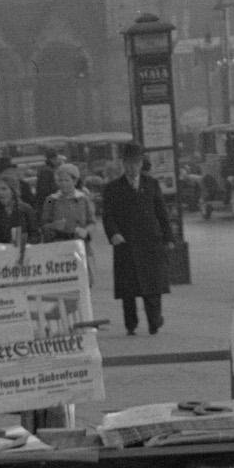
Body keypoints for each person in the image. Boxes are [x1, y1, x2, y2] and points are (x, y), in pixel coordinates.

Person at [103, 144, 171, 338]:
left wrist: (168, 236)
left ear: (141, 164)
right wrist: (113, 234)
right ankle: (130, 324)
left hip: (150, 242)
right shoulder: (113, 188)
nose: (132, 168)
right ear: (123, 165)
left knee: (153, 286)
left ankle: (154, 322)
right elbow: (108, 216)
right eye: (128, 164)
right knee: (129, 288)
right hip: (126, 242)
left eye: (136, 164)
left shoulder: (151, 184)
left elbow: (161, 211)